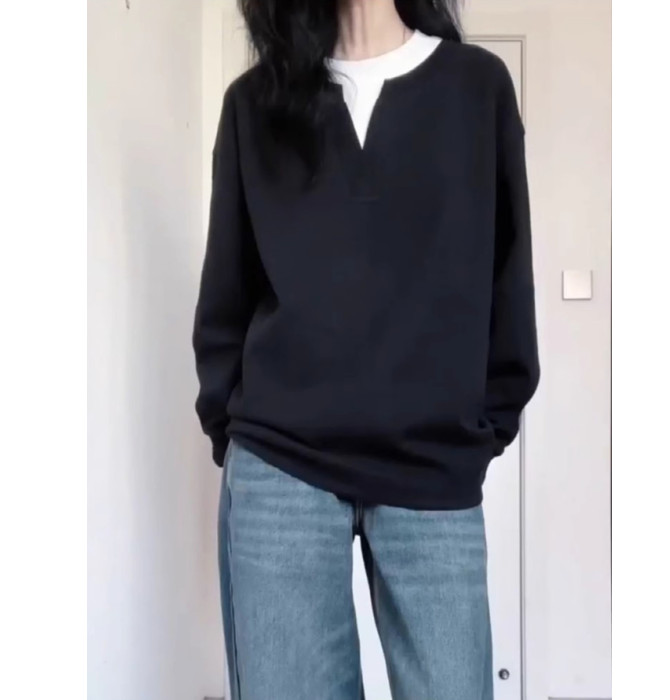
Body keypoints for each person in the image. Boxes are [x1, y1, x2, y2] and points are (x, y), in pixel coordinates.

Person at [193, 0, 539, 697]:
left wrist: (484, 426)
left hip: (434, 465)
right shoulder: (254, 104)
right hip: (281, 465)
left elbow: (508, 275)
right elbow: (229, 285)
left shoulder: (478, 88)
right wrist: (231, 429)